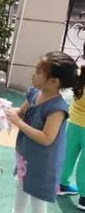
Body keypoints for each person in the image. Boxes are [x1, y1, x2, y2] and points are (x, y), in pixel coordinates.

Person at [5, 51, 77, 213]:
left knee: (37, 200)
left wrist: (19, 124)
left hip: (43, 164)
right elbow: (21, 112)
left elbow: (46, 138)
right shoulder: (34, 94)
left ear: (53, 81)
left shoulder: (57, 108)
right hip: (26, 156)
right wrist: (10, 112)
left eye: (38, 72)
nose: (33, 75)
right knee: (21, 186)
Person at [58, 43, 85, 211]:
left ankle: (61, 184)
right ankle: (84, 197)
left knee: (68, 153)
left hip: (73, 120)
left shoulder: (80, 73)